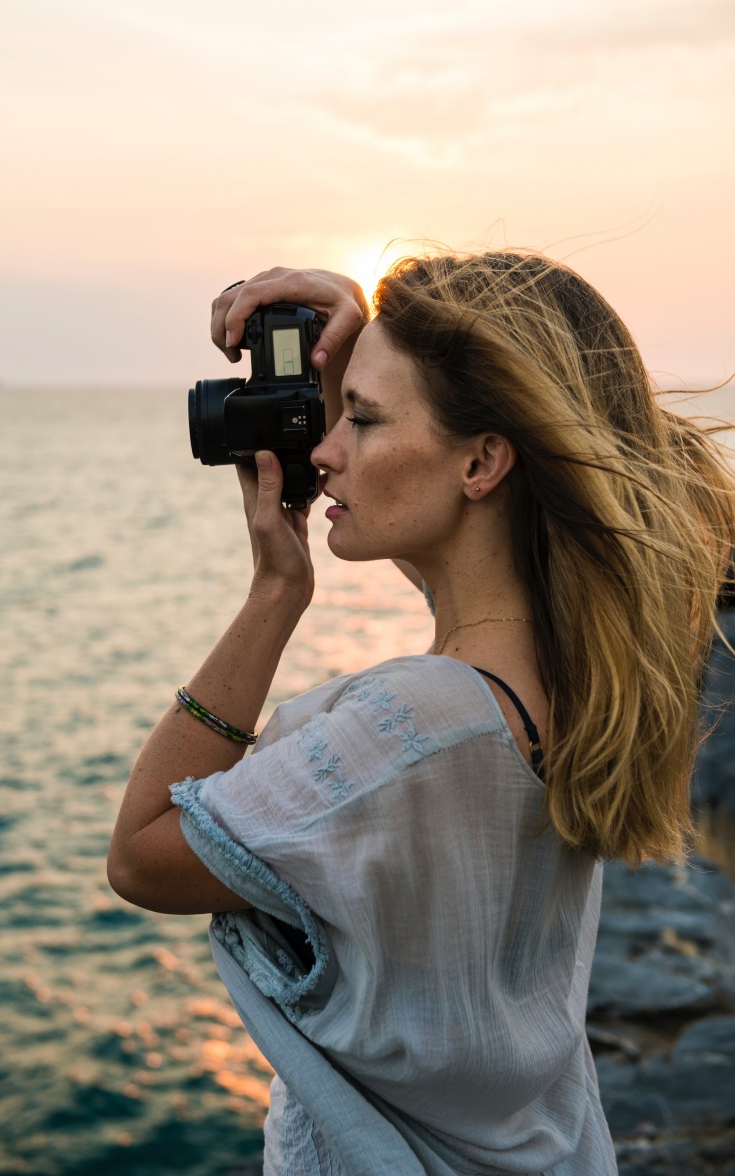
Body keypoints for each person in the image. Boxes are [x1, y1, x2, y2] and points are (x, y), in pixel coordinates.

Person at [107, 252, 734, 1174]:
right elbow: (463, 547)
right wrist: (354, 353)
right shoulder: (568, 674)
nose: (323, 452)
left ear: (482, 461)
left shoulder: (410, 728)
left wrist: (274, 596)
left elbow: (142, 854)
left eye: (360, 420)